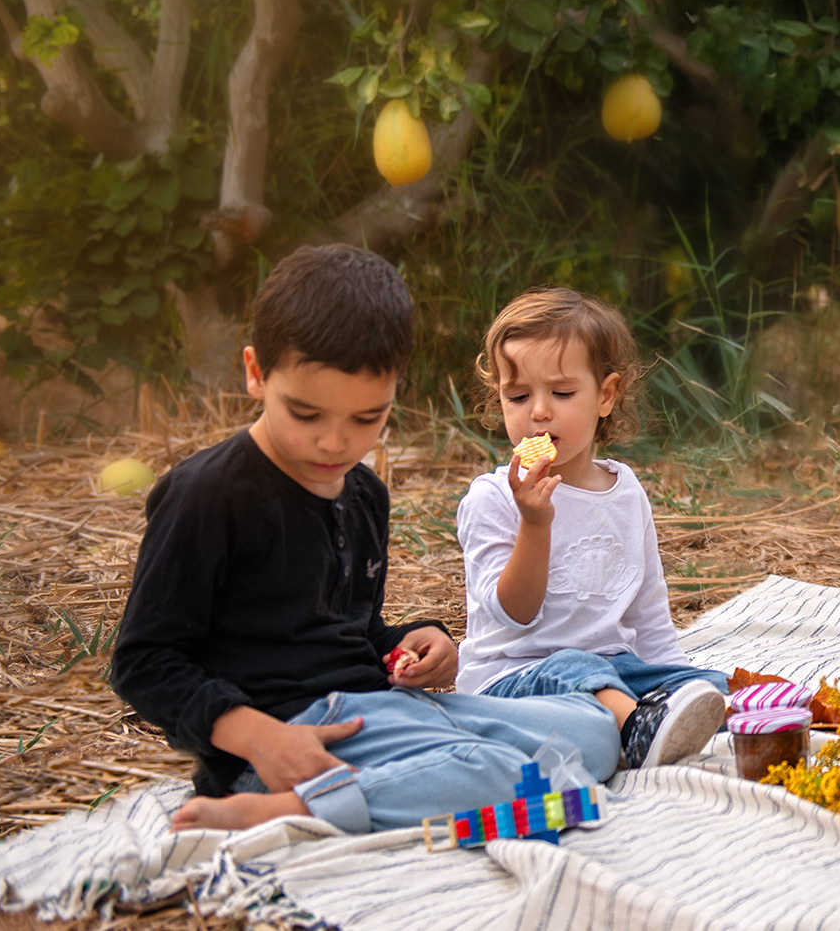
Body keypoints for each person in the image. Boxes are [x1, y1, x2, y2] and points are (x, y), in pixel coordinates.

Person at [111, 245, 623, 834]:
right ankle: (291, 810)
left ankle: (422, 780)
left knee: (592, 732)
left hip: (384, 710)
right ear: (256, 373)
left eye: (364, 419)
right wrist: (260, 738)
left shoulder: (362, 495)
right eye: (305, 415)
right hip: (291, 740)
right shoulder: (208, 493)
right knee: (508, 773)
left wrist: (416, 641)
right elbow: (144, 660)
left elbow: (342, 631)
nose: (334, 443)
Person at [456, 288, 727, 769]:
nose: (538, 411)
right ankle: (640, 728)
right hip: (514, 678)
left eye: (561, 393)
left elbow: (648, 616)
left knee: (710, 685)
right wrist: (535, 523)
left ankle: (709, 719)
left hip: (611, 670)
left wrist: (679, 678)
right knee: (577, 669)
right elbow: (513, 614)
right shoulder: (493, 499)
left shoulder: (624, 492)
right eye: (517, 396)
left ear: (606, 396)